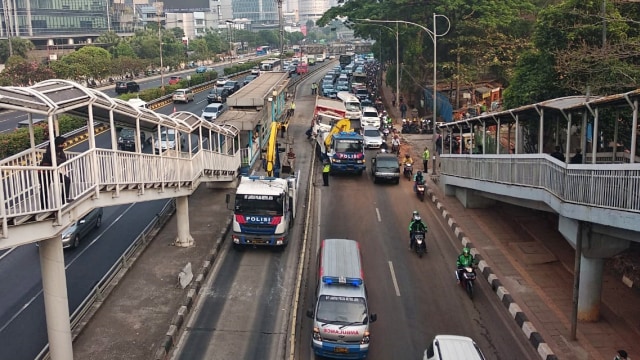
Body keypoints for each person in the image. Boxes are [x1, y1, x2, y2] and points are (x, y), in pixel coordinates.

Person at [39, 136, 72, 208]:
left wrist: (61, 155)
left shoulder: (59, 150)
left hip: (52, 171)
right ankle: (44, 207)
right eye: (62, 144)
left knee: (67, 180)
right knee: (44, 188)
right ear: (59, 144)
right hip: (44, 172)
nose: (64, 145)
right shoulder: (50, 151)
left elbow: (63, 158)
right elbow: (56, 162)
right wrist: (60, 159)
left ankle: (64, 199)